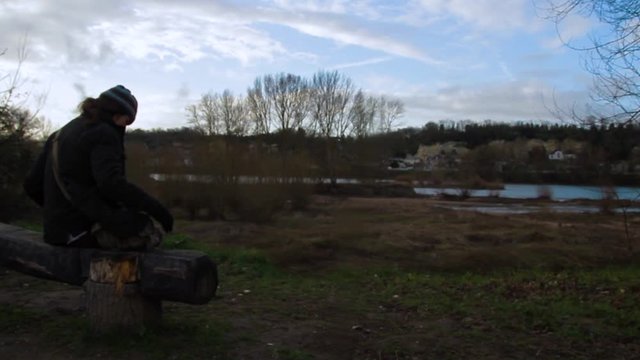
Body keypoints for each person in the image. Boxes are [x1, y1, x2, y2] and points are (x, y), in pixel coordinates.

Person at [23, 85, 173, 249]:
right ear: (117, 114)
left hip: (56, 234)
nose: (126, 125)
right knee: (149, 231)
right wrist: (158, 210)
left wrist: (59, 211)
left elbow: (32, 185)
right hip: (84, 233)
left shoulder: (59, 134)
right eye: (128, 119)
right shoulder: (104, 133)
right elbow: (111, 184)